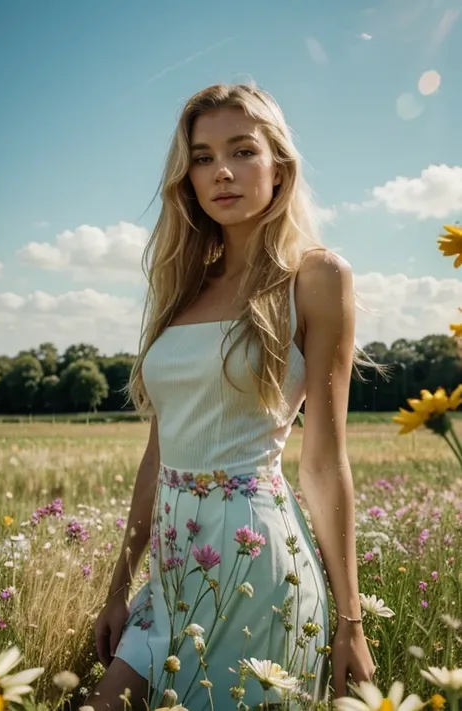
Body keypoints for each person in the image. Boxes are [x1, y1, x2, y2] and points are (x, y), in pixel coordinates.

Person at [86, 83, 377, 711]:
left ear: (279, 165)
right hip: (170, 573)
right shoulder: (183, 288)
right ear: (185, 176)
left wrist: (351, 625)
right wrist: (117, 586)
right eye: (201, 156)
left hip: (258, 568)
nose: (221, 170)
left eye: (243, 151)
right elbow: (160, 451)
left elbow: (325, 462)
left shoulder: (317, 277)